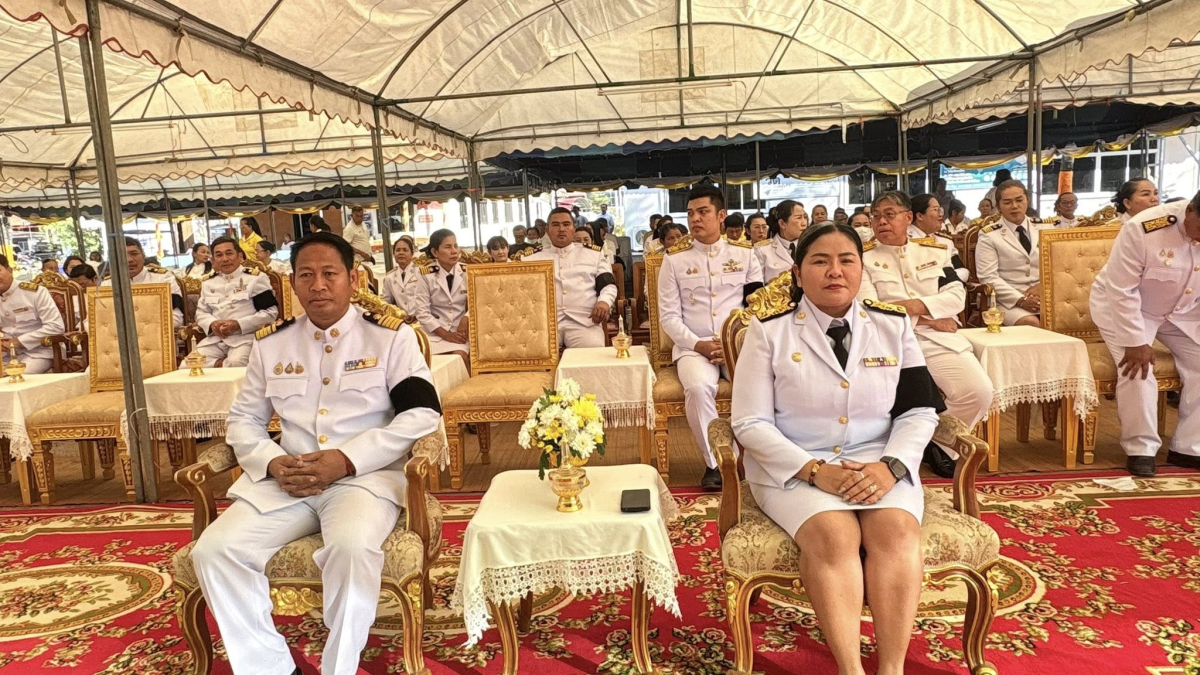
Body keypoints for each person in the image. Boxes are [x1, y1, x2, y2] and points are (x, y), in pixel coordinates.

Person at [190, 231, 441, 675]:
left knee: (351, 547)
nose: (318, 285)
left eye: (330, 274)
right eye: (306, 275)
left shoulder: (390, 338)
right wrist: (271, 461)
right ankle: (270, 668)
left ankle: (338, 668)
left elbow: (421, 414)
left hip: (363, 480)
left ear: (353, 278)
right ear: (293, 283)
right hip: (289, 480)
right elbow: (243, 420)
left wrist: (347, 459)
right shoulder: (272, 344)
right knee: (213, 550)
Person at [732, 222, 941, 675]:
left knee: (896, 531)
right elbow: (749, 423)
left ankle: (891, 668)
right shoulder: (768, 332)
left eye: (847, 260)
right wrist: (813, 470)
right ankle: (851, 669)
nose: (835, 271)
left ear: (862, 269)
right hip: (793, 466)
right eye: (820, 261)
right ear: (797, 272)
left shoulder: (893, 325)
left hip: (878, 461)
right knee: (833, 534)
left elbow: (919, 410)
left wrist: (891, 466)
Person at [859, 191, 993, 478]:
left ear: (908, 217)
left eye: (889, 215)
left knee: (978, 392)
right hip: (889, 341)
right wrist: (930, 317)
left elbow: (956, 296)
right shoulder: (863, 258)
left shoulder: (935, 251)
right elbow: (870, 308)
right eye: (876, 216)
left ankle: (938, 445)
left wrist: (914, 309)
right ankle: (909, 447)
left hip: (938, 340)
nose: (881, 221)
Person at [658, 185, 763, 489]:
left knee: (761, 384)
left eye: (703, 212)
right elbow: (669, 317)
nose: (695, 219)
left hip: (737, 343)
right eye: (690, 213)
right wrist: (699, 345)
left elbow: (755, 308)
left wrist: (732, 343)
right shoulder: (674, 260)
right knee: (698, 387)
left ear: (721, 216)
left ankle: (758, 456)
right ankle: (718, 463)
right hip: (693, 346)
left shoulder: (745, 256)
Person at [1090, 194, 1200, 477]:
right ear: (1189, 211)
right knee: (1137, 366)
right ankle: (1141, 447)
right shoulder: (1144, 228)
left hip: (1184, 311)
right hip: (1128, 307)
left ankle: (1189, 446)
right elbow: (1121, 289)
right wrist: (1135, 341)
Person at [527, 207, 618, 348]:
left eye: (566, 224)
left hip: (585, 322)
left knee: (593, 353)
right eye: (555, 225)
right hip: (544, 324)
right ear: (547, 230)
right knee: (533, 354)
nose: (561, 229)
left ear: (574, 228)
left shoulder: (593, 255)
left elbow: (608, 285)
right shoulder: (531, 259)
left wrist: (604, 302)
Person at [184, 237, 279, 368]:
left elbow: (270, 313)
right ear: (213, 260)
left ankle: (221, 367)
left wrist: (238, 324)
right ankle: (220, 365)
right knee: (188, 365)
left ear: (240, 256)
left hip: (245, 338)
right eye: (219, 255)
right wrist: (212, 324)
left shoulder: (255, 279)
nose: (225, 259)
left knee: (236, 363)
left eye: (229, 253)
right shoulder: (208, 282)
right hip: (216, 339)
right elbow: (201, 313)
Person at [975, 180, 1049, 326]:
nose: (1014, 206)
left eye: (1019, 200)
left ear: (1027, 200)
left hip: (1044, 293)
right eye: (1007, 202)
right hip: (1006, 299)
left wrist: (1042, 286)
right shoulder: (989, 235)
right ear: (998, 207)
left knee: (1068, 317)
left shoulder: (1045, 228)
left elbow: (1059, 267)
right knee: (1030, 322)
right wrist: (1021, 299)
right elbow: (988, 277)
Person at [411, 229, 469, 368]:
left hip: (461, 333)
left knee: (460, 355)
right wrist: (445, 334)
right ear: (435, 252)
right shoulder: (425, 275)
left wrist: (466, 317)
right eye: (448, 247)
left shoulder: (468, 271)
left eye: (456, 246)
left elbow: (479, 302)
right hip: (435, 334)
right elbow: (422, 312)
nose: (454, 251)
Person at [0, 254, 64, 374]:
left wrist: (19, 341)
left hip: (39, 353)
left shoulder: (34, 292)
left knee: (18, 375)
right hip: (6, 355)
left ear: (9, 271)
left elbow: (56, 326)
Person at [103, 237, 184, 328]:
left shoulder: (163, 279)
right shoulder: (106, 285)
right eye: (122, 255)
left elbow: (176, 318)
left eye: (134, 254)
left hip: (156, 334)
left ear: (143, 256)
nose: (129, 259)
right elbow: (96, 321)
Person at [909, 194, 968, 283]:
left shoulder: (945, 241)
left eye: (941, 210)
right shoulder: (903, 240)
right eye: (936, 210)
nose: (941, 215)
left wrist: (947, 280)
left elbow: (963, 270)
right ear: (920, 216)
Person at [758, 199, 807, 283]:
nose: (804, 223)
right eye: (799, 218)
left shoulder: (810, 246)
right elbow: (757, 286)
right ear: (782, 223)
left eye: (805, 217)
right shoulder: (762, 251)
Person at [381, 236, 420, 311]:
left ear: (412, 253)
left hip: (421, 316)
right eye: (398, 250)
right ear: (393, 254)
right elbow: (386, 302)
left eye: (405, 250)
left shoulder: (421, 273)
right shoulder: (389, 278)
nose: (401, 253)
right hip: (401, 317)